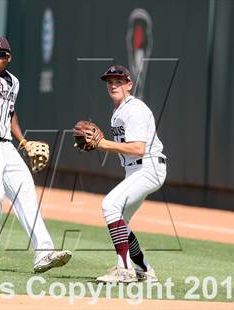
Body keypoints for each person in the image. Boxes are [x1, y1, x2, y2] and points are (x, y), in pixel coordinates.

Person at [0, 36, 71, 273]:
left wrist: (22, 141)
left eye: (1, 54)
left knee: (27, 193)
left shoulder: (14, 82)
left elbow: (10, 113)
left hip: (7, 147)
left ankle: (44, 253)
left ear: (8, 58)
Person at [94, 65, 167, 283]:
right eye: (110, 81)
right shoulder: (119, 111)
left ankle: (124, 269)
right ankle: (144, 269)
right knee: (121, 220)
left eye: (118, 81)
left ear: (129, 84)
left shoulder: (133, 109)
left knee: (109, 205)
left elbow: (138, 148)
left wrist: (103, 143)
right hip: (137, 169)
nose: (113, 84)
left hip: (148, 166)